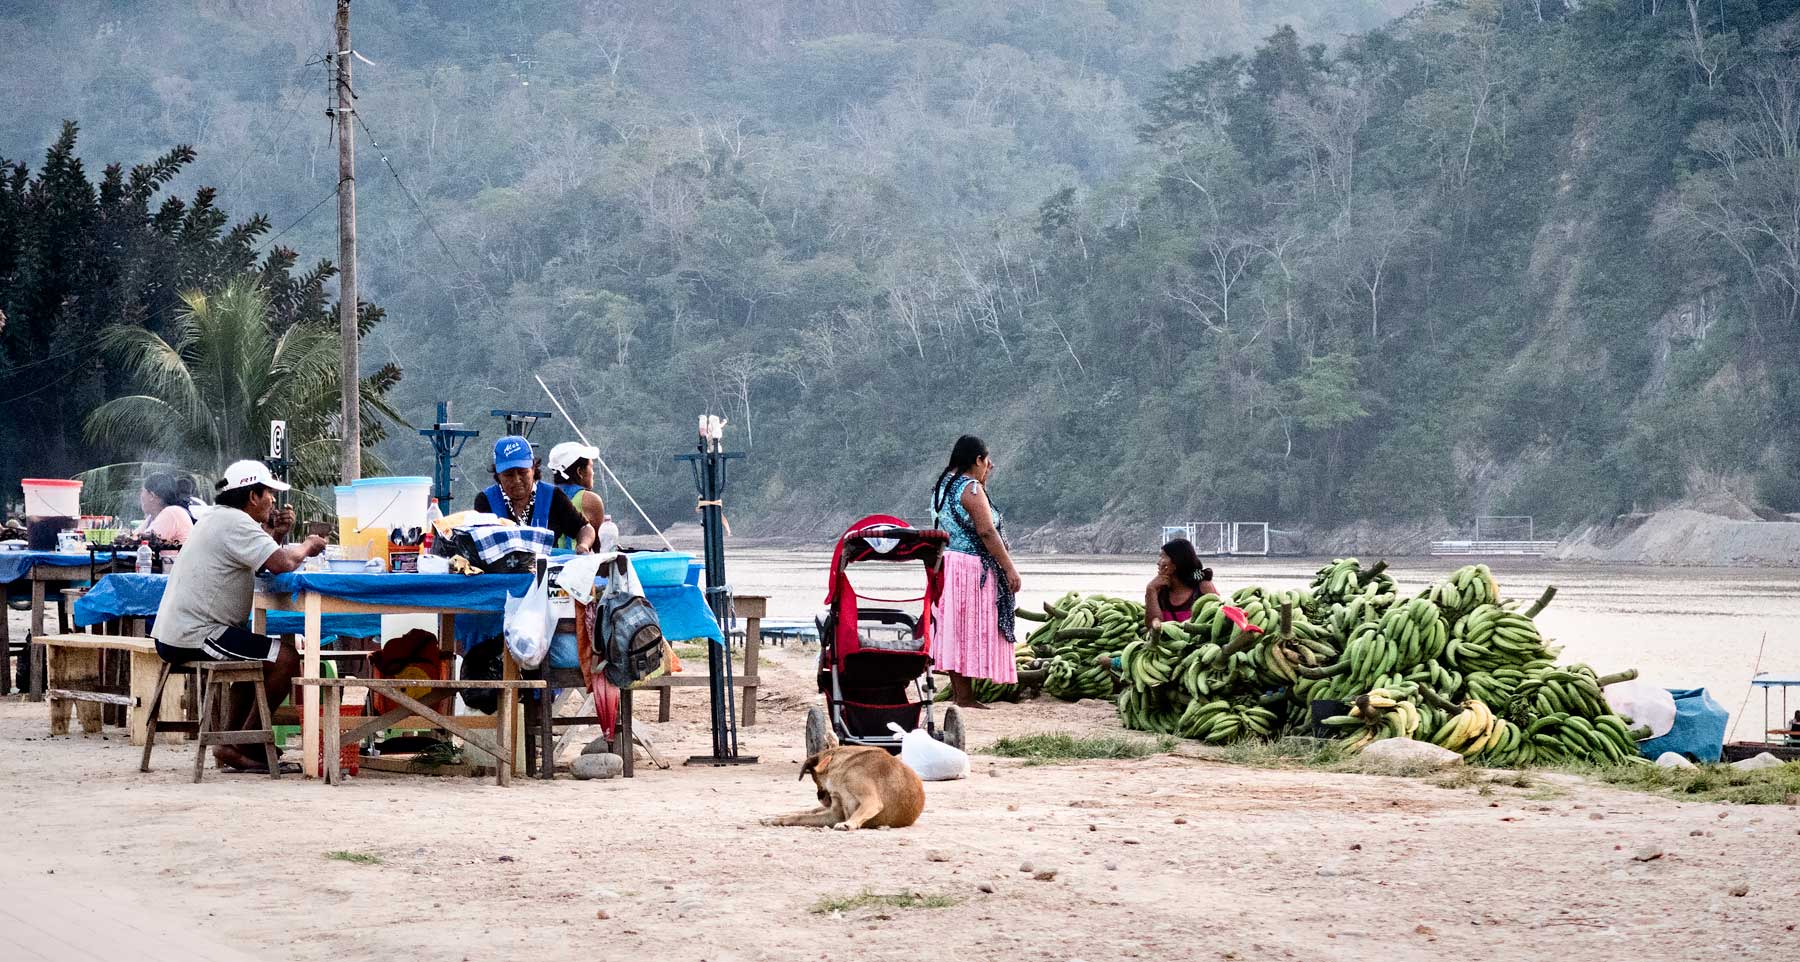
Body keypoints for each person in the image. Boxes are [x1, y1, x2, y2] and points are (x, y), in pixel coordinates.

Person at [151, 460, 326, 772]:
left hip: (181, 631)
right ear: (253, 497)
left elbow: (261, 559)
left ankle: (232, 744)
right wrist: (309, 544)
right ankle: (246, 744)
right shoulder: (236, 523)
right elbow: (282, 564)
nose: (274, 500)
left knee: (259, 655)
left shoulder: (219, 518)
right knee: (285, 659)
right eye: (269, 493)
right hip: (198, 634)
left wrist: (276, 532)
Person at [930, 435, 1021, 709]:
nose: (990, 465)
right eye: (987, 459)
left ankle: (963, 695)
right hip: (971, 567)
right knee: (970, 628)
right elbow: (986, 531)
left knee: (956, 630)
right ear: (978, 460)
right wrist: (1010, 569)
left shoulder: (944, 488)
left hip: (949, 564)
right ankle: (966, 697)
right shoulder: (971, 489)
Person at [472, 435, 595, 552]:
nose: (517, 480)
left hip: (546, 571)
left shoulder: (553, 496)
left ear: (533, 469)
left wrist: (583, 545)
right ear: (498, 475)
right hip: (501, 573)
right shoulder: (486, 500)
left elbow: (584, 528)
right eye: (509, 475)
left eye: (522, 472)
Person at [1145, 537, 1217, 632]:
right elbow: (1152, 627)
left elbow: (1213, 622)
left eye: (1163, 557)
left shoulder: (1203, 587)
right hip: (1165, 643)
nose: (1158, 563)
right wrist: (1151, 590)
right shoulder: (1158, 590)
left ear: (1176, 562)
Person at [546, 441, 607, 551]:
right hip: (575, 564)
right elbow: (601, 547)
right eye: (591, 467)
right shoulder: (591, 500)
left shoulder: (544, 495)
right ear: (580, 472)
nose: (593, 473)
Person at [137, 472, 196, 544]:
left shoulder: (172, 512)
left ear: (152, 496)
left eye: (142, 491)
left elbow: (141, 542)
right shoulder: (152, 517)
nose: (140, 496)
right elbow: (134, 536)